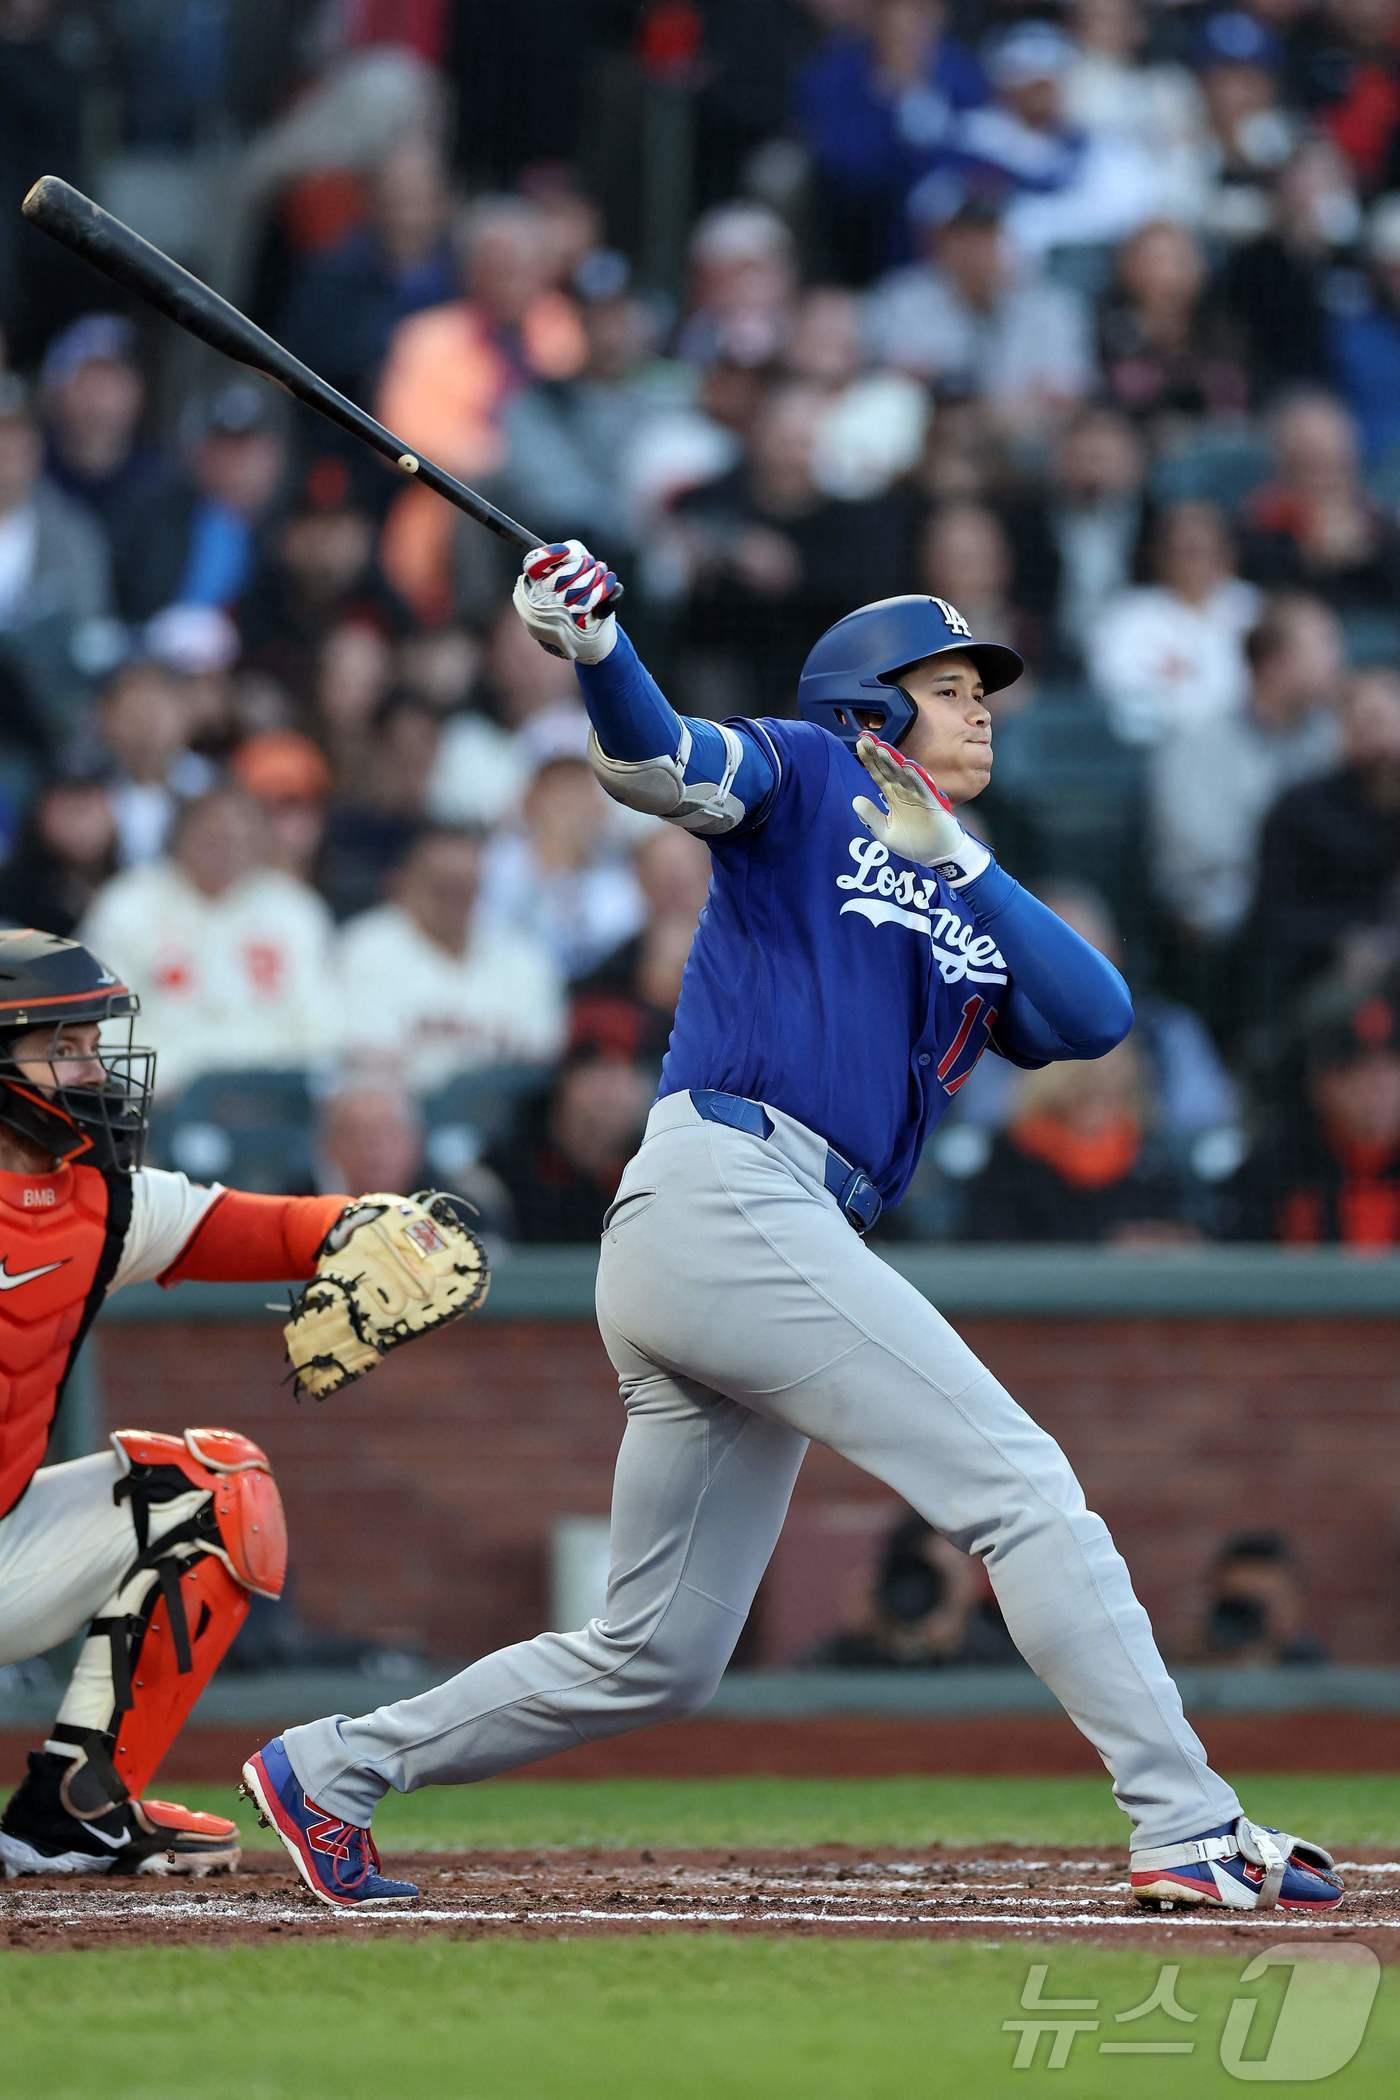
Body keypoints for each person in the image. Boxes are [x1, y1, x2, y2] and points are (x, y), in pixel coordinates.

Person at [242, 542, 1342, 1916]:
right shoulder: (808, 773)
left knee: (655, 1654)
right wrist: (596, 650)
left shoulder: (958, 887)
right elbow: (660, 764)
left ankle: (331, 1766)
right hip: (731, 1187)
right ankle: (1186, 1820)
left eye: (981, 685)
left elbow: (1096, 1016)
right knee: (1021, 1488)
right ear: (872, 712)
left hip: (748, 1228)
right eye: (948, 687)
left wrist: (962, 863)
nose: (983, 706)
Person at [0, 927, 395, 1878]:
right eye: (62, 1046)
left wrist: (382, 1225)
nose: (92, 1068)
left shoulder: (100, 1203)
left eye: (91, 1042)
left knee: (215, 1489)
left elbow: (250, 1228)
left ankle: (76, 1807)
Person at [79, 787, 335, 1097]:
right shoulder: (128, 903)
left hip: (273, 1090)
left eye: (241, 839)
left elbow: (319, 1022)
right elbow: (102, 1020)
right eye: (213, 838)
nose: (227, 850)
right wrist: (142, 1084)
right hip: (164, 1092)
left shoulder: (294, 909)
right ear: (179, 836)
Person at [334, 825, 565, 1095]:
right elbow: (366, 1061)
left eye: (467, 887)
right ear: (402, 882)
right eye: (442, 887)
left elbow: (539, 1062)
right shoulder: (366, 947)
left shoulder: (523, 957)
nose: (456, 900)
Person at [962, 1041, 1200, 1245]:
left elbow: (1185, 1234)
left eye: (1115, 1092)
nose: (1099, 1109)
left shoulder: (1149, 1161)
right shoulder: (1012, 1158)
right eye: (1086, 1091)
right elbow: (995, 1248)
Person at [805, 1508, 1018, 1669]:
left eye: (937, 1578)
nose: (917, 1592)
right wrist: (859, 1641)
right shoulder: (853, 1649)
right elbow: (798, 1688)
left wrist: (959, 1636)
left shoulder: (998, 1650)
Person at [1191, 1532, 1330, 1666]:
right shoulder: (1191, 1661)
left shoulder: (1310, 1668)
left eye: (1263, 1604)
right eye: (1239, 1604)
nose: (1250, 1616)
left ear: (1295, 1604)